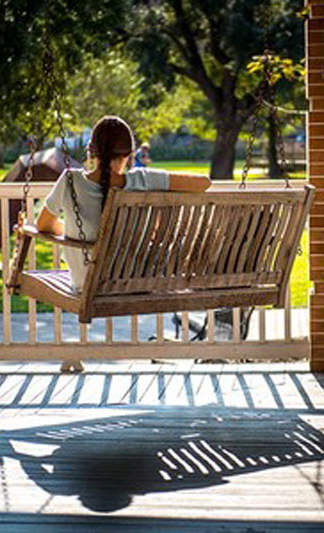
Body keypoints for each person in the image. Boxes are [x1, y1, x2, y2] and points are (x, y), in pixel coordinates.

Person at [35, 116, 211, 373]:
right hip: (134, 280)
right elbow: (204, 183)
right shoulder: (143, 180)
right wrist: (156, 178)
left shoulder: (71, 181)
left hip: (89, 282)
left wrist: (82, 238)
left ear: (91, 151)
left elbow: (43, 226)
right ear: (129, 153)